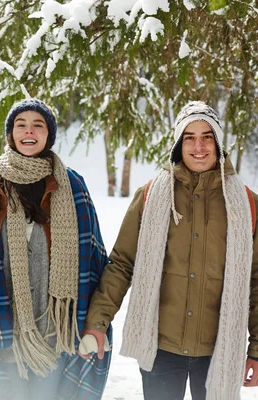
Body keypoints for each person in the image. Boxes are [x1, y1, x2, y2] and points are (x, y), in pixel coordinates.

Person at [81, 101, 258, 399]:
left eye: (207, 136)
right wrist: (98, 321)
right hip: (161, 348)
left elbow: (256, 280)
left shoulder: (246, 203)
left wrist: (256, 349)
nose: (199, 146)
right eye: (190, 137)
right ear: (178, 143)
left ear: (218, 142)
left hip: (219, 350)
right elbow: (123, 264)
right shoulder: (151, 196)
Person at [0, 98, 112, 400]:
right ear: (10, 134)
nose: (29, 131)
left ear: (49, 135)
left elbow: (94, 260)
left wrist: (94, 322)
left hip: (57, 336)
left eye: (38, 125)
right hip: (3, 334)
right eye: (21, 125)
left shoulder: (73, 187)